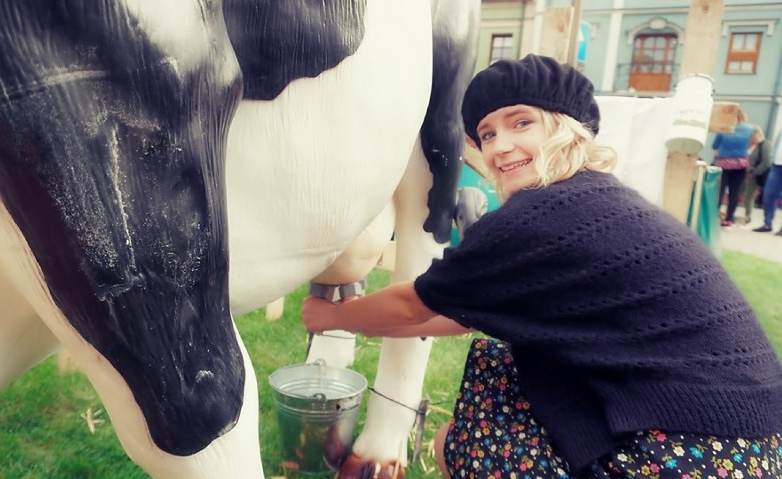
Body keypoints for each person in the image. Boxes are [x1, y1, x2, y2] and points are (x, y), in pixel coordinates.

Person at [302, 54, 782, 479]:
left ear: (565, 126)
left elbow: (412, 304)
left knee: (459, 441)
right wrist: (369, 322)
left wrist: (334, 317)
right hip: (750, 441)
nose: (500, 146)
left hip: (691, 452)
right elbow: (462, 315)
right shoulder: (594, 198)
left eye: (521, 123)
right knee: (499, 379)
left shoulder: (538, 216)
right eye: (487, 134)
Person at [712, 108, 755, 227]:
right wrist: (746, 152)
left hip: (723, 163)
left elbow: (715, 145)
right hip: (741, 163)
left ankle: (714, 217)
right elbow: (755, 142)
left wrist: (718, 155)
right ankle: (729, 219)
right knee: (734, 192)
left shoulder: (723, 128)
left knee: (719, 192)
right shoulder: (750, 129)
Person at [754, 130, 782, 234]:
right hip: (776, 166)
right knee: (769, 194)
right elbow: (776, 146)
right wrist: (772, 160)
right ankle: (767, 224)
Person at [743, 125, 773, 224]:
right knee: (744, 194)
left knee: (750, 196)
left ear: (756, 135)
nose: (750, 138)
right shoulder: (753, 145)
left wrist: (754, 172)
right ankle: (745, 216)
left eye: (751, 136)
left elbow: (766, 162)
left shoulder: (765, 144)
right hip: (748, 173)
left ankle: (748, 217)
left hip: (757, 175)